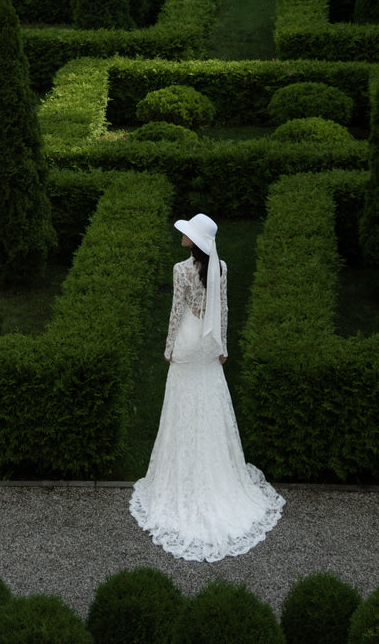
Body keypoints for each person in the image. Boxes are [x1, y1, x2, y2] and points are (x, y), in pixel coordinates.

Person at [129, 213, 285, 562]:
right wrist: (223, 346)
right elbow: (223, 309)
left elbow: (176, 312)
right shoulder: (222, 268)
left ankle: (181, 476)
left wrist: (168, 348)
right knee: (209, 405)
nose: (182, 236)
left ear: (195, 241)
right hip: (208, 344)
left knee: (183, 406)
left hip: (188, 343)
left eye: (187, 233)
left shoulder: (180, 270)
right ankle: (213, 472)